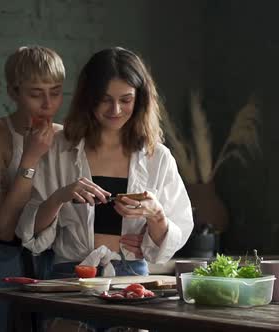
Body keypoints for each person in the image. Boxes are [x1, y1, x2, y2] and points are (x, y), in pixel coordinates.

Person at [16, 44, 193, 292]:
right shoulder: (59, 149)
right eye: (105, 100)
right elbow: (29, 233)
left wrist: (156, 214)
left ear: (140, 99)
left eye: (126, 100)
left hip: (133, 277)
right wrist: (59, 197)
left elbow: (177, 232)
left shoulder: (158, 157)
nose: (116, 110)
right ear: (88, 98)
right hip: (71, 275)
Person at [0, 45, 65, 332]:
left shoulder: (66, 136)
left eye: (56, 92)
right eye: (35, 94)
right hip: (5, 258)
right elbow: (4, 228)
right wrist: (31, 157)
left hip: (53, 260)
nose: (47, 104)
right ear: (13, 92)